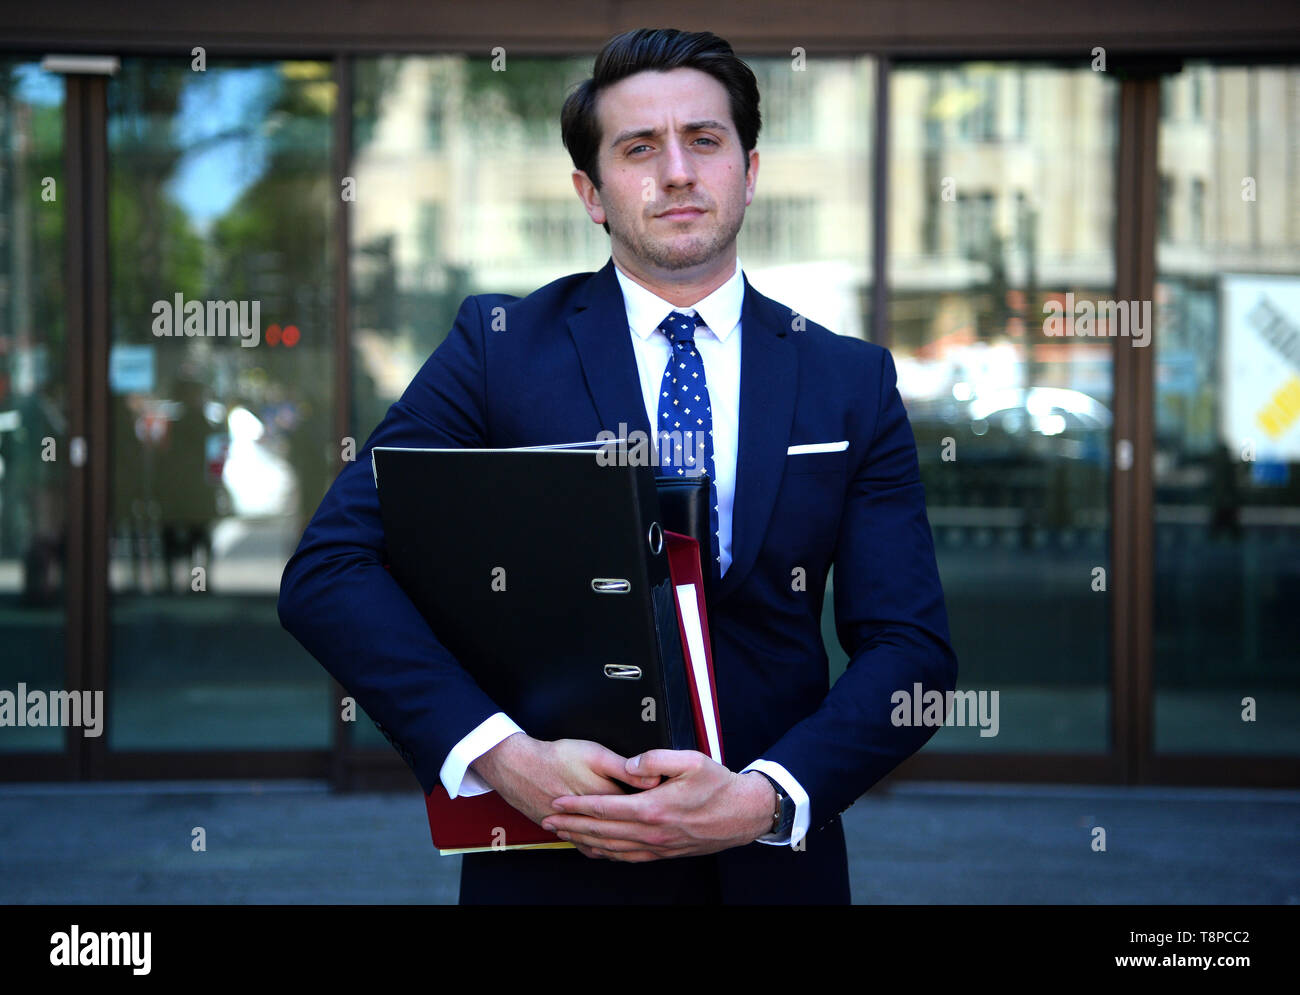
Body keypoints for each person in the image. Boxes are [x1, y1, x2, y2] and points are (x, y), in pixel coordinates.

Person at [278, 27, 957, 904]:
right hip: (558, 857)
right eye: (640, 149)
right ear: (591, 193)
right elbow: (329, 571)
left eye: (704, 141)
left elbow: (912, 650)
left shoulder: (848, 381)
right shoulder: (497, 354)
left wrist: (763, 797)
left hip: (773, 868)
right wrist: (501, 754)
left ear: (749, 172)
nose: (677, 171)